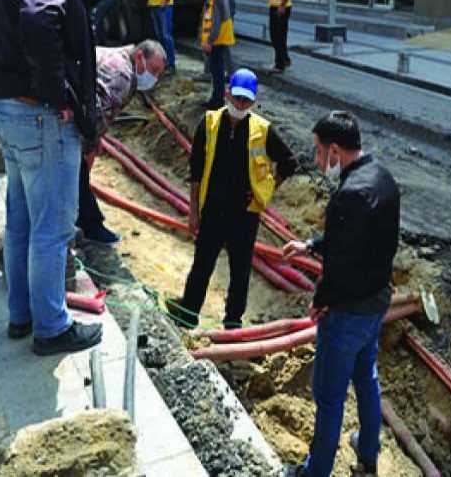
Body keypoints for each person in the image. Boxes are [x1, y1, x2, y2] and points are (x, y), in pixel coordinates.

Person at [0, 0, 103, 355]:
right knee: (52, 228)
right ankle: (51, 327)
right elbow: (38, 17)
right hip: (38, 115)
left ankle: (21, 314)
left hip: (6, 108)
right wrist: (58, 94)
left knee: (22, 220)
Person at [281, 111, 401, 477]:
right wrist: (310, 244)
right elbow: (357, 241)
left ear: (335, 151)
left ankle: (315, 472)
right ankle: (367, 453)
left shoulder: (348, 195)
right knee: (366, 377)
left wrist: (320, 302)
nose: (317, 160)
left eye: (318, 152)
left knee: (329, 398)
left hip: (347, 311)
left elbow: (341, 263)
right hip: (377, 301)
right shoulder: (382, 177)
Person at [168, 70, 299, 330]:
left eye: (245, 101)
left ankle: (232, 321)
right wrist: (194, 211)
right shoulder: (209, 123)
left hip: (245, 212)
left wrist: (266, 188)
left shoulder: (262, 130)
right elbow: (196, 169)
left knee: (240, 270)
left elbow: (289, 162)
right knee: (202, 263)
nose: (240, 105)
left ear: (253, 102)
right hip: (213, 209)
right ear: (227, 93)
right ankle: (189, 312)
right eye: (237, 98)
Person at [77, 40, 167, 245]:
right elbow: (96, 114)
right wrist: (89, 145)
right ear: (139, 58)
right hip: (66, 121)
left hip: (67, 112)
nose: (154, 78)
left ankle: (85, 221)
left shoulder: (120, 56)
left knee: (77, 175)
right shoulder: (123, 76)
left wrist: (96, 138)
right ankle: (90, 226)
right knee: (77, 173)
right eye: (153, 70)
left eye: (158, 74)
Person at [200, 0, 235, 109]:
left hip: (217, 37)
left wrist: (210, 40)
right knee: (217, 69)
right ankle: (216, 98)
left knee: (217, 71)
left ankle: (217, 100)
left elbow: (218, 18)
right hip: (220, 35)